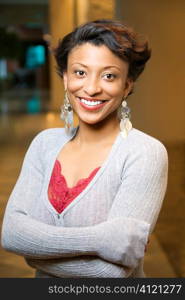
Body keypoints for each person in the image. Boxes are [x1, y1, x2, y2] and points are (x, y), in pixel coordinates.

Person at [1, 19, 168, 278]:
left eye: (109, 75)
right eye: (80, 72)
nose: (91, 88)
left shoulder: (145, 153)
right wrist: (101, 239)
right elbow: (11, 234)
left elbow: (110, 273)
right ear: (66, 78)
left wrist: (36, 252)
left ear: (127, 85)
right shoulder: (44, 143)